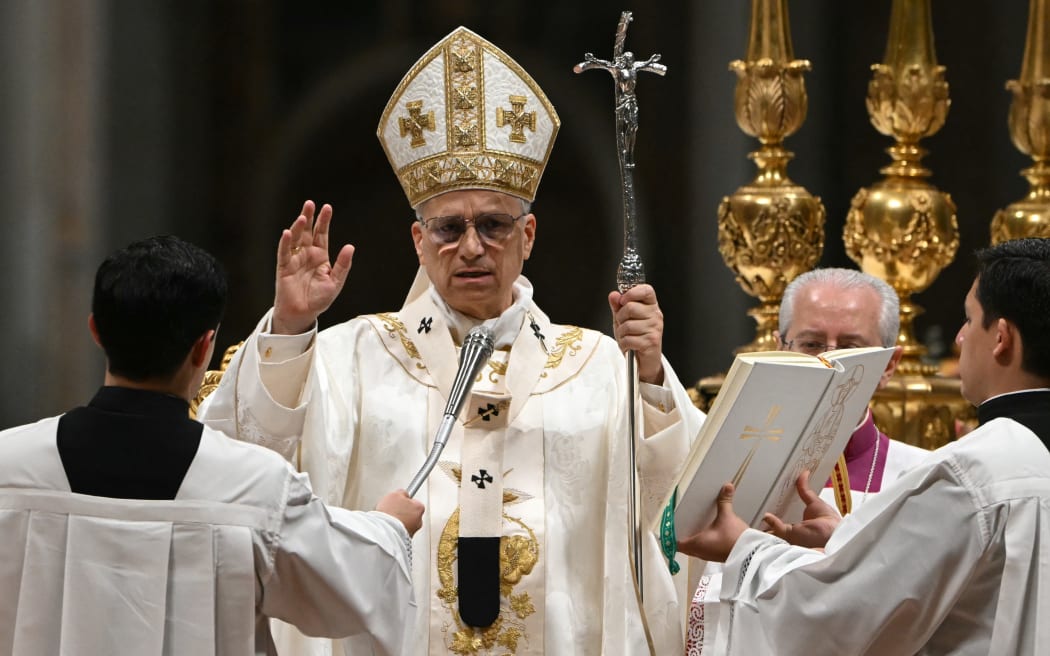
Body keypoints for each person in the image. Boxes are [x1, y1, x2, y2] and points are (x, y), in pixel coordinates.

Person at [198, 26, 704, 656]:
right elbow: (252, 458)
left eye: (493, 224)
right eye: (448, 227)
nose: (470, 247)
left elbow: (676, 504)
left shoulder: (598, 363)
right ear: (417, 240)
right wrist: (293, 326)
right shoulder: (352, 356)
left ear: (530, 235)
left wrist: (651, 375)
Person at [0, 236, 424, 656]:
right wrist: (390, 527)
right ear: (205, 346)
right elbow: (347, 591)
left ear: (95, 329)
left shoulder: (9, 465)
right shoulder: (254, 487)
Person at [678, 238, 1050, 654]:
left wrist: (743, 548)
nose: (960, 338)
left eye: (968, 318)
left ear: (1000, 337)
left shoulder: (976, 472)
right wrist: (845, 542)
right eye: (812, 342)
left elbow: (832, 614)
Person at [683, 267, 930, 654]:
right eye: (812, 344)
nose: (831, 361)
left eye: (851, 347)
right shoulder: (729, 466)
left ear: (889, 365)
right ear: (784, 349)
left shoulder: (922, 479)